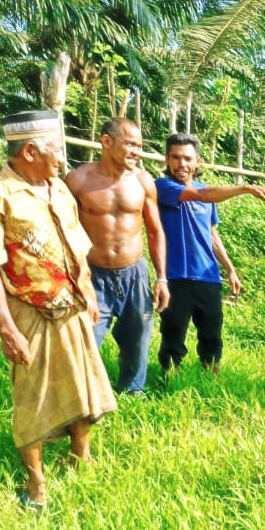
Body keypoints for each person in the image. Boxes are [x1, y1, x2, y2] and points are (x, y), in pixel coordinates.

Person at [0, 110, 117, 508]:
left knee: (82, 384)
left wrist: (90, 297)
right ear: (29, 151)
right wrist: (6, 327)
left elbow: (78, 248)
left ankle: (81, 456)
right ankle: (36, 486)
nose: (63, 159)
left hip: (74, 307)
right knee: (33, 396)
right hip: (29, 313)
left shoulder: (59, 189)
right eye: (56, 150)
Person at [65, 117, 170, 396]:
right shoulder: (77, 181)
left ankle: (132, 393)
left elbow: (155, 230)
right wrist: (72, 276)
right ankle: (85, 398)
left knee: (137, 340)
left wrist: (161, 278)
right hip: (92, 275)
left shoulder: (143, 181)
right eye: (130, 144)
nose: (137, 151)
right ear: (107, 142)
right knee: (86, 340)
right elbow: (62, 231)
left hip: (134, 273)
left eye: (140, 146)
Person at [155, 132, 265, 373]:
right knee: (173, 333)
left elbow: (211, 235)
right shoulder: (162, 187)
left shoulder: (207, 193)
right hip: (176, 276)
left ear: (198, 162)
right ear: (167, 160)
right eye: (176, 157)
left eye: (188, 158)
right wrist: (245, 188)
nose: (182, 164)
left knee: (211, 334)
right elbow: (198, 195)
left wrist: (230, 270)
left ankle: (211, 380)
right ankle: (169, 380)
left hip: (208, 277)